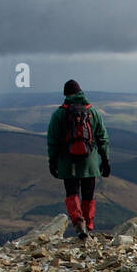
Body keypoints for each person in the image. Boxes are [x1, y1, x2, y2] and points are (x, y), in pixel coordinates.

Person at [47, 79, 110, 239]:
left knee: (72, 192)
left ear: (66, 95)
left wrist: (52, 161)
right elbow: (103, 138)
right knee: (88, 194)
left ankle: (78, 223)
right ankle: (88, 226)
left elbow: (52, 140)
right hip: (90, 161)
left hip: (67, 162)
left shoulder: (59, 114)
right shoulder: (93, 112)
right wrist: (105, 159)